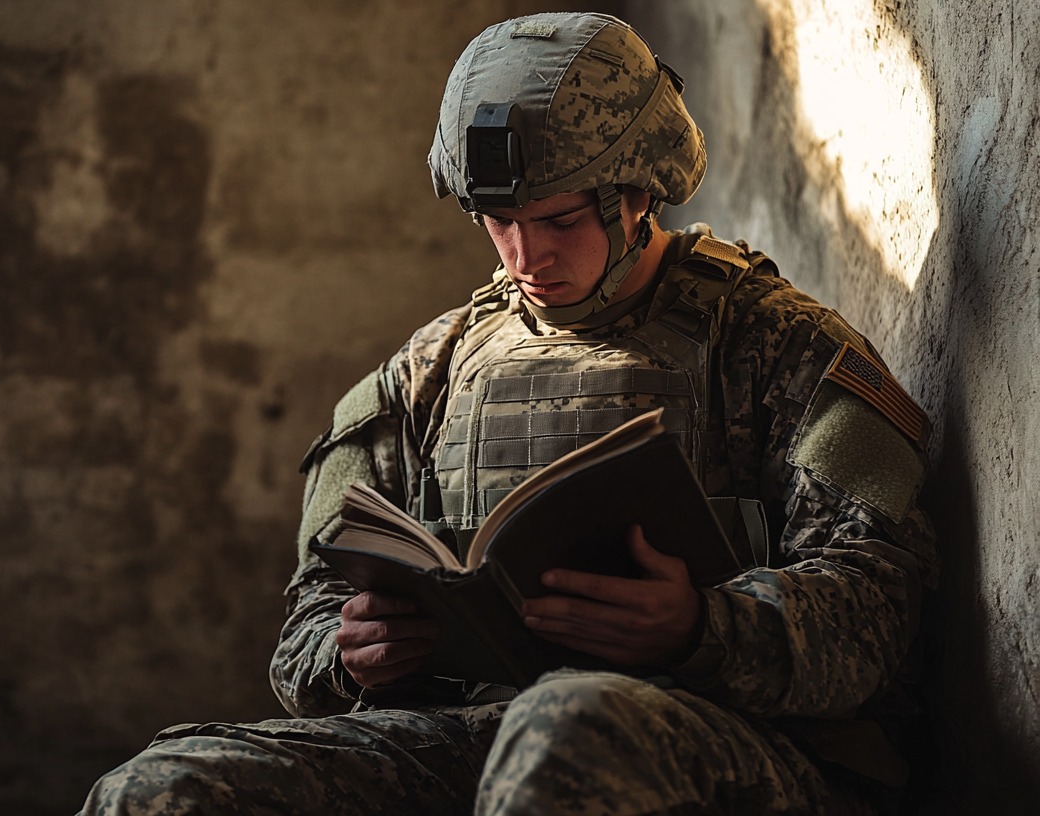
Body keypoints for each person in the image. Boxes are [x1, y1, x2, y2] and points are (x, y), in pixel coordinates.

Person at [80, 11, 937, 815]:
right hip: (476, 735)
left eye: (560, 219)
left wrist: (705, 628)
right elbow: (307, 626)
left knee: (564, 730)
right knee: (161, 790)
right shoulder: (430, 371)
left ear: (640, 191)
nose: (527, 255)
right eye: (499, 221)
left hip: (716, 742)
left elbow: (879, 614)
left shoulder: (778, 346)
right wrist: (351, 652)